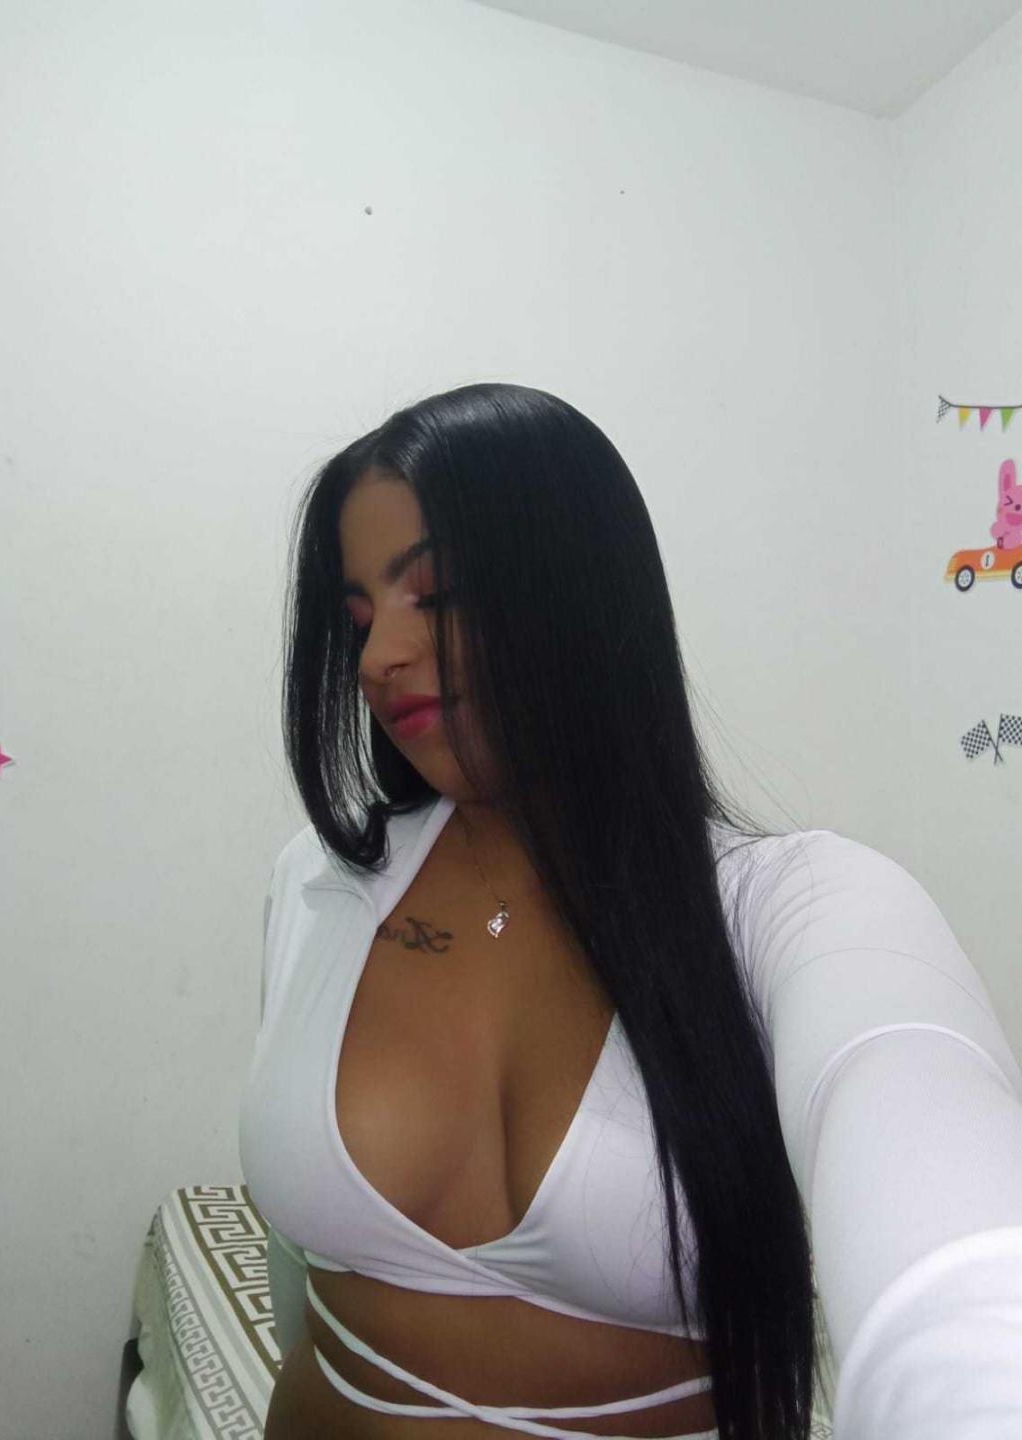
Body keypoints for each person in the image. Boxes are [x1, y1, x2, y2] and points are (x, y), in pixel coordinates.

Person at [239, 382, 1022, 1439]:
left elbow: (948, 1215)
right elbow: (299, 1284)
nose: (379, 659)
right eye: (361, 618)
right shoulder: (321, 881)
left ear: (577, 593)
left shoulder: (791, 907)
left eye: (438, 595)